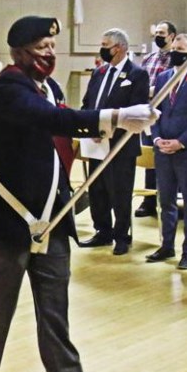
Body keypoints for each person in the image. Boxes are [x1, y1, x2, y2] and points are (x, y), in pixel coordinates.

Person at [0, 15, 158, 372]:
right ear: (20, 51)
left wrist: (114, 120)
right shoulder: (7, 88)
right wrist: (116, 115)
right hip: (8, 221)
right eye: (42, 47)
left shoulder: (46, 87)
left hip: (51, 219)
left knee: (55, 314)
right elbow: (52, 120)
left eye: (52, 47)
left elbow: (63, 117)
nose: (50, 53)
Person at [145, 33, 187, 270]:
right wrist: (155, 137)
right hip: (163, 150)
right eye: (174, 48)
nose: (176, 52)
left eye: (182, 49)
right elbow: (154, 111)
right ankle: (167, 246)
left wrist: (181, 142)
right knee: (165, 202)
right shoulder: (164, 77)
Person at [78, 28, 149, 255]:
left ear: (120, 48)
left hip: (120, 144)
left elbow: (136, 112)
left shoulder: (137, 75)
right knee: (97, 190)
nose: (103, 49)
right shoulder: (99, 73)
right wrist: (88, 125)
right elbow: (88, 103)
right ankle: (102, 231)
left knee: (119, 192)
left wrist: (107, 127)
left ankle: (121, 235)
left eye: (106, 45)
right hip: (96, 143)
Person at [135, 20, 176, 218]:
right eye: (156, 32)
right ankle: (149, 201)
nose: (158, 36)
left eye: (162, 33)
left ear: (172, 36)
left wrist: (154, 91)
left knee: (169, 160)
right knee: (150, 157)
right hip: (148, 114)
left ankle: (170, 201)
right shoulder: (148, 59)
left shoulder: (176, 61)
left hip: (169, 114)